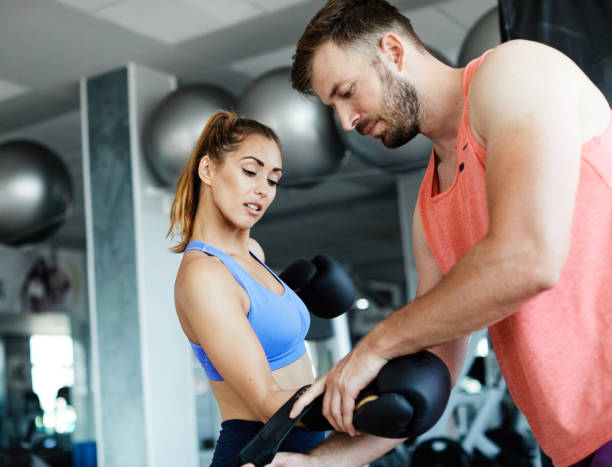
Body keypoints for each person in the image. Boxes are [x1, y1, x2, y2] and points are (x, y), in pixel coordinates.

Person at [257, 1, 612, 466]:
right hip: (568, 448)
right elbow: (435, 361)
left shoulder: (515, 72)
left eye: (346, 92)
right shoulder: (430, 206)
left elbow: (529, 258)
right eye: (333, 107)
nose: (346, 120)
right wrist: (321, 462)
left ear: (392, 51)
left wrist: (376, 344)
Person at [168, 110, 326, 466]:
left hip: (310, 446)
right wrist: (354, 399)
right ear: (208, 170)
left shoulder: (253, 253)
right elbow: (266, 399)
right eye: (250, 171)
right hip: (258, 449)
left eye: (273, 180)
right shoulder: (204, 274)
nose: (263, 190)